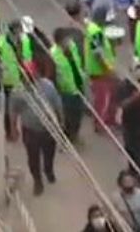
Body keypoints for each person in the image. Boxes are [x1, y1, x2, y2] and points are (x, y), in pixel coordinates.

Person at [10, 67, 63, 195]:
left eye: (31, 75)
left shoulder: (48, 86)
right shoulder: (18, 91)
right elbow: (13, 111)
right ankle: (37, 181)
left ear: (37, 74)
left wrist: (61, 121)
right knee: (33, 158)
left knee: (49, 153)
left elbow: (57, 103)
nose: (28, 79)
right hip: (30, 130)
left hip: (49, 128)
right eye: (25, 76)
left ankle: (48, 170)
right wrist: (13, 129)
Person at [51, 27, 87, 143]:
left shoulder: (72, 46)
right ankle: (67, 136)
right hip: (66, 91)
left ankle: (75, 134)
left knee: (78, 112)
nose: (67, 42)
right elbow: (53, 74)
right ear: (58, 42)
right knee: (67, 115)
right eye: (65, 40)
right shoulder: (53, 54)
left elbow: (78, 60)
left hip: (79, 85)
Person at [84, 7, 118, 131]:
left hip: (97, 69)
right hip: (99, 71)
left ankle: (107, 120)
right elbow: (98, 53)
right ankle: (99, 124)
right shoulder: (96, 32)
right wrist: (107, 69)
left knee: (104, 96)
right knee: (102, 99)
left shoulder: (93, 29)